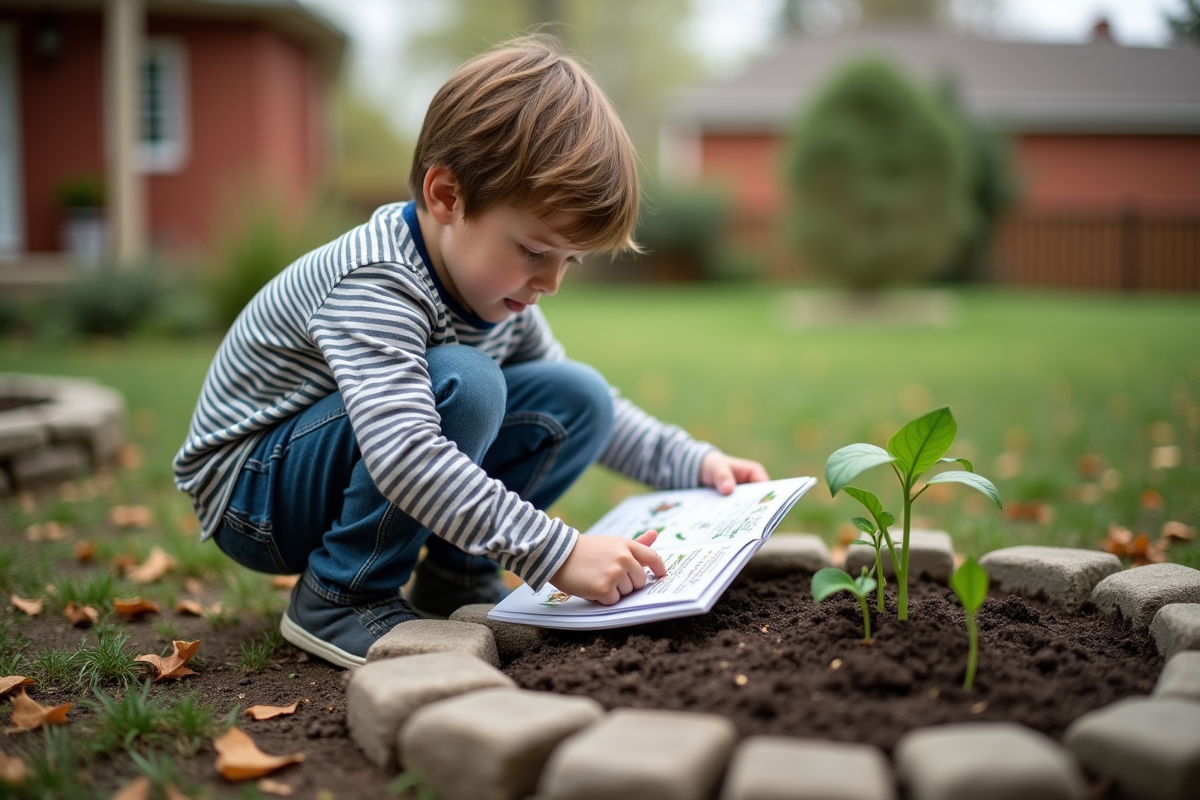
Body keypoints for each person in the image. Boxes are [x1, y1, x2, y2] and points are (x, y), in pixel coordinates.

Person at [173, 36, 769, 669]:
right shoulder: (377, 281)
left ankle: (455, 581)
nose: (550, 284)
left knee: (578, 397)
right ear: (446, 196)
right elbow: (404, 453)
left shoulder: (498, 298)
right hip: (253, 496)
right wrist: (557, 553)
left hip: (325, 466)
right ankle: (341, 594)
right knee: (468, 381)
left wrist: (695, 463)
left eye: (570, 261)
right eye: (536, 251)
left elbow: (586, 406)